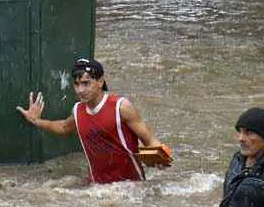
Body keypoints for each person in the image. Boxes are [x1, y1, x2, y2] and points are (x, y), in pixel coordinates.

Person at [16, 58, 168, 184]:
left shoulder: (121, 107)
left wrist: (160, 158)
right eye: (76, 84)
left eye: (86, 83)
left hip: (132, 187)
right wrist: (36, 120)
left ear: (100, 81)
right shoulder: (77, 111)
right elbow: (63, 127)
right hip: (97, 188)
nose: (80, 90)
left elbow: (149, 139)